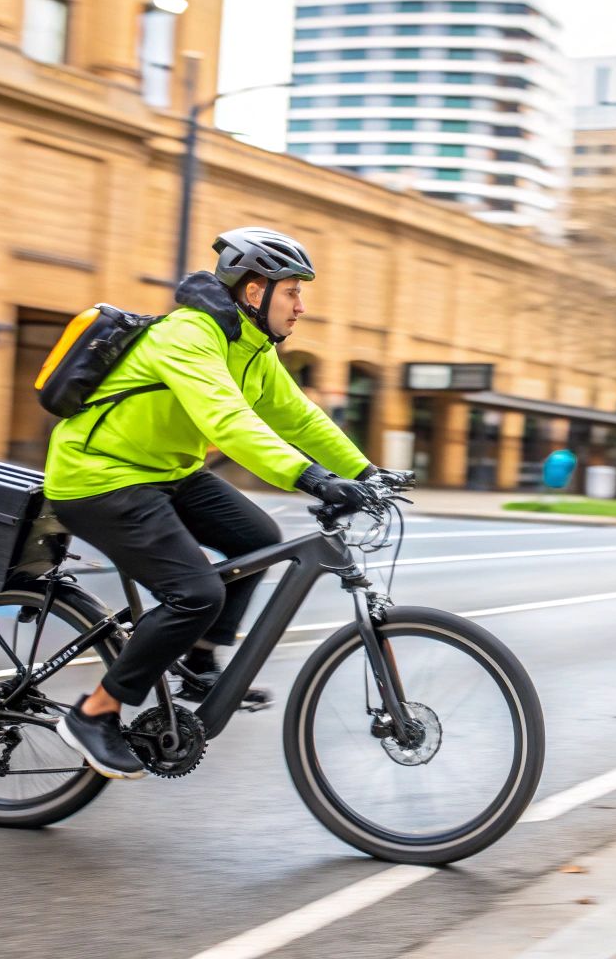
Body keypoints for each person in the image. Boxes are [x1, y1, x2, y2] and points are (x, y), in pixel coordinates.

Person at [45, 227, 405, 779]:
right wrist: (312, 479)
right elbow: (229, 423)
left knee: (257, 540)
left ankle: (200, 658)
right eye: (292, 292)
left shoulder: (252, 349)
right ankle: (95, 712)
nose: (302, 306)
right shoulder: (188, 336)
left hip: (167, 471)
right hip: (100, 477)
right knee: (194, 592)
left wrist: (364, 471)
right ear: (255, 291)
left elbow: (298, 416)